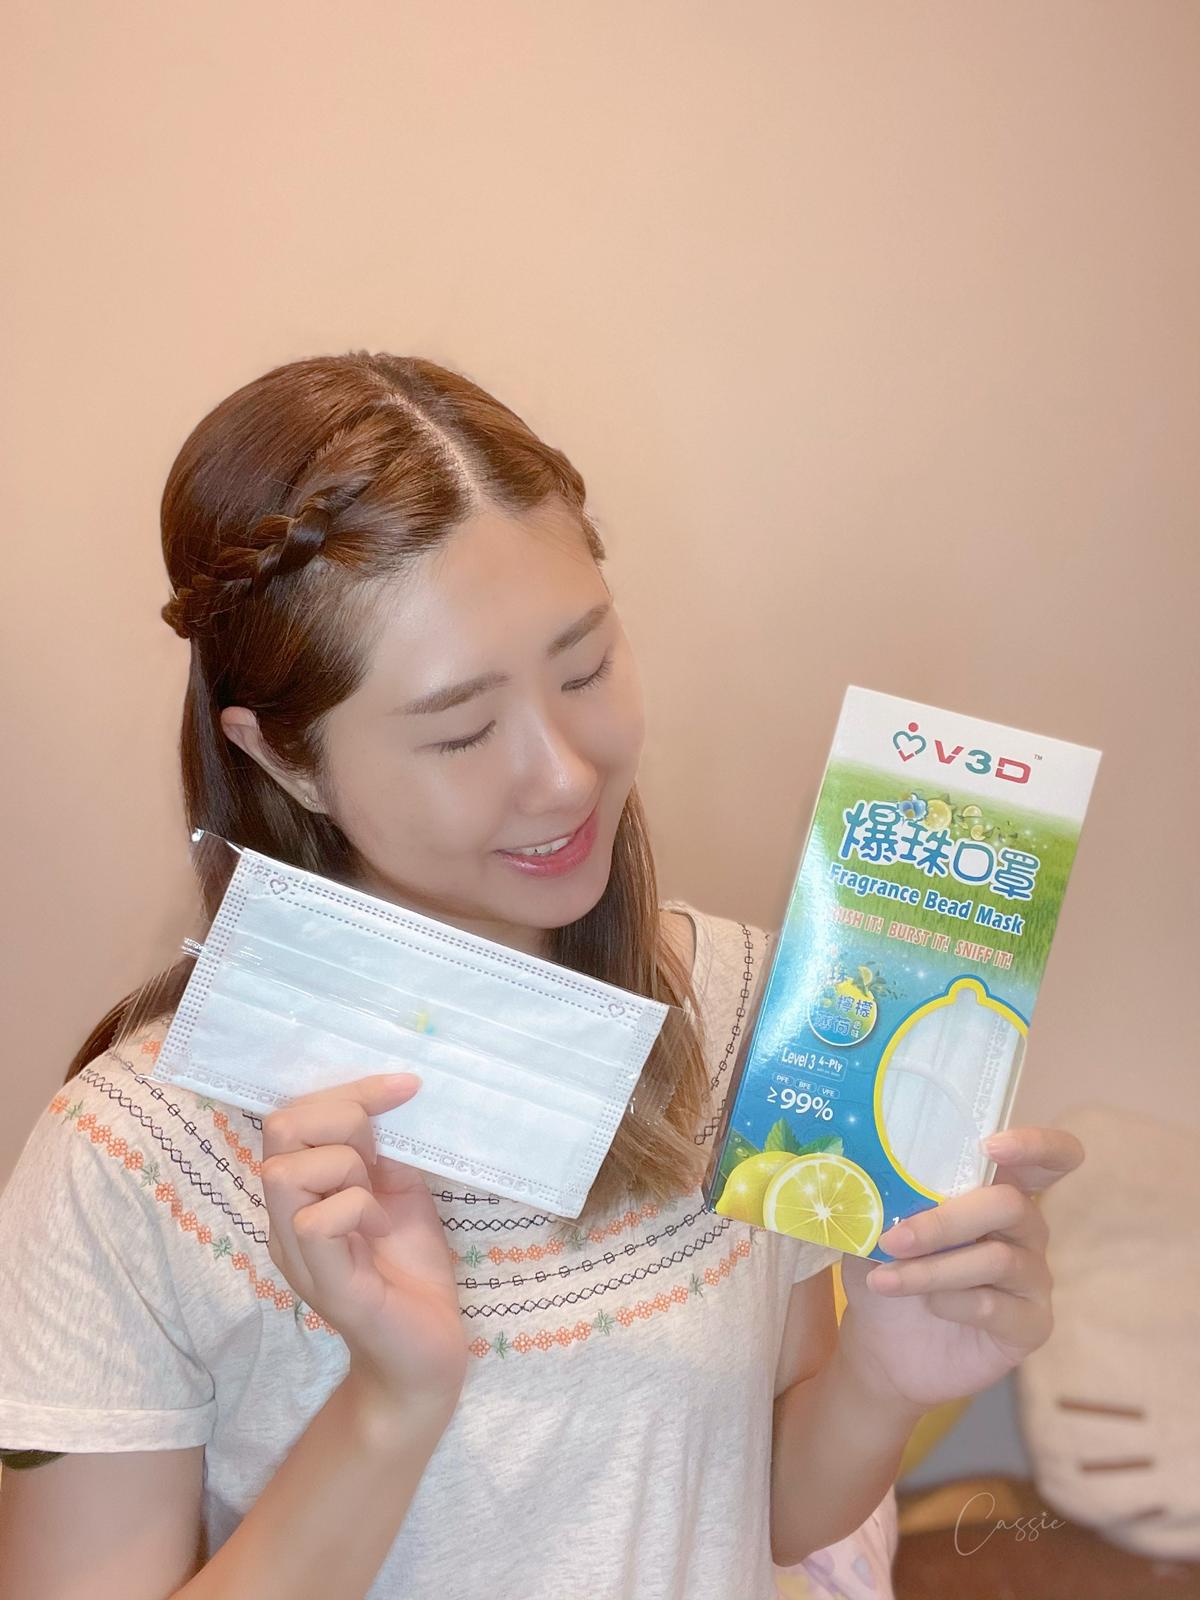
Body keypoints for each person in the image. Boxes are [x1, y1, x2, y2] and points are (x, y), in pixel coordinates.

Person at [0, 352, 1083, 1600]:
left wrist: (885, 1375)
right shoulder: (135, 1163)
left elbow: (763, 1503)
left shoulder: (754, 1016)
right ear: (285, 759)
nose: (565, 775)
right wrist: (392, 1403)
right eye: (462, 729)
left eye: (584, 668)